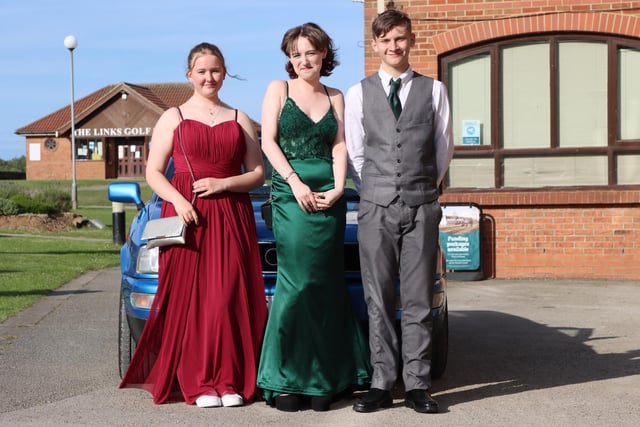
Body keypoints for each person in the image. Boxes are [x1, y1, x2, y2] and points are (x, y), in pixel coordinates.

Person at [119, 42, 268, 408]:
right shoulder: (173, 117)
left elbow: (258, 173)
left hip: (232, 214)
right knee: (196, 301)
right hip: (188, 217)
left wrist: (225, 184)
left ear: (224, 72)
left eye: (215, 70)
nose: (209, 77)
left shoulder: (239, 118)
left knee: (229, 296)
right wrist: (179, 200)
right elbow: (153, 173)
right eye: (202, 71)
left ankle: (230, 379)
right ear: (190, 75)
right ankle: (200, 382)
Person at [257, 22, 371, 412]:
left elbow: (340, 145)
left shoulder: (336, 95)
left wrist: (340, 189)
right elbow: (268, 141)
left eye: (310, 51)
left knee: (324, 284)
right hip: (291, 196)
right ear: (289, 59)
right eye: (295, 54)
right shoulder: (279, 89)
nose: (303, 59)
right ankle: (285, 377)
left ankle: (327, 376)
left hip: (330, 199)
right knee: (298, 283)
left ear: (324, 53)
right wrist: (294, 183)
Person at [344, 8, 454, 414]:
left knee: (419, 299)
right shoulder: (358, 93)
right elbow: (356, 152)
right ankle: (381, 381)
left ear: (411, 40)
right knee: (378, 297)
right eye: (386, 40)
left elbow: (443, 151)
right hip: (375, 206)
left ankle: (418, 385)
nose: (394, 46)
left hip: (422, 204)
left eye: (400, 38)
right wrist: (376, 189)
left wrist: (421, 187)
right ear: (375, 45)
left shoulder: (435, 90)